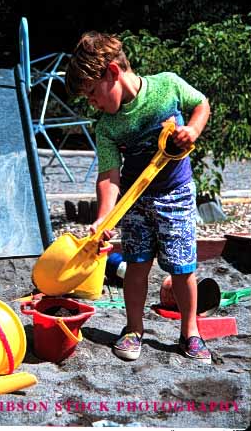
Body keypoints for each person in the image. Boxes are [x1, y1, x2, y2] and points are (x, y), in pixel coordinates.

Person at [65, 31, 211, 364]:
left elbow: (200, 104)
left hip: (175, 194)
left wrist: (193, 129)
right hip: (135, 202)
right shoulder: (107, 127)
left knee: (182, 269)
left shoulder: (168, 85)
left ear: (112, 74)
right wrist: (105, 217)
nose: (92, 103)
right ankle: (134, 329)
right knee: (136, 267)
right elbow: (109, 175)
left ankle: (190, 331)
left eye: (92, 93)